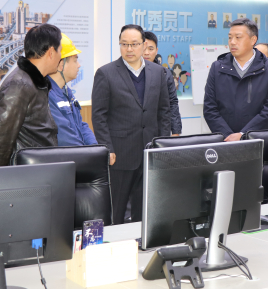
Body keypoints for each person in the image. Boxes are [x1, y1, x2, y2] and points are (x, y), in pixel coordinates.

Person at [92, 24, 171, 224]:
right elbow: (99, 115)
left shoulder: (158, 72)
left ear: (144, 45)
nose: (129, 49)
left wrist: (163, 145)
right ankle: (115, 241)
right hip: (120, 154)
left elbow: (163, 111)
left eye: (134, 44)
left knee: (145, 208)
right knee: (116, 210)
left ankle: (141, 240)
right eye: (124, 44)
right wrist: (107, 147)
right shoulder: (106, 73)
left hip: (150, 152)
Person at [0, 23, 62, 167]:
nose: (61, 56)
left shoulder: (33, 82)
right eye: (60, 51)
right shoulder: (19, 85)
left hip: (37, 170)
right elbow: (0, 139)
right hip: (26, 173)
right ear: (51, 52)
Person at [203, 18, 268, 141]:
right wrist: (227, 135)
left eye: (238, 37)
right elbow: (210, 109)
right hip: (225, 141)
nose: (232, 42)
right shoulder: (217, 67)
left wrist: (243, 134)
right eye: (230, 38)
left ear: (253, 40)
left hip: (257, 140)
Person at [48, 33, 97, 146]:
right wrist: (88, 152)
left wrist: (94, 147)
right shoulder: (48, 95)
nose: (79, 65)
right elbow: (64, 138)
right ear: (61, 64)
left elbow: (81, 125)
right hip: (68, 156)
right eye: (75, 60)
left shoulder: (66, 91)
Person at [143, 31, 182, 136]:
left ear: (156, 51)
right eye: (143, 48)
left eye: (150, 49)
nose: (146, 53)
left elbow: (172, 103)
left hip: (159, 129)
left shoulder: (165, 73)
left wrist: (176, 131)